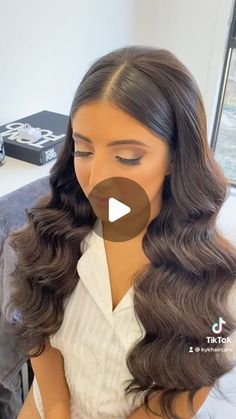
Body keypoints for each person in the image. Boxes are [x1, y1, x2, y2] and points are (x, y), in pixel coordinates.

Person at [4, 45, 236, 418]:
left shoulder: (220, 285)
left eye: (127, 158)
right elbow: (40, 335)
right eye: (83, 151)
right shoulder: (52, 235)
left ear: (175, 157)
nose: (97, 180)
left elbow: (179, 398)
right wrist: (59, 410)